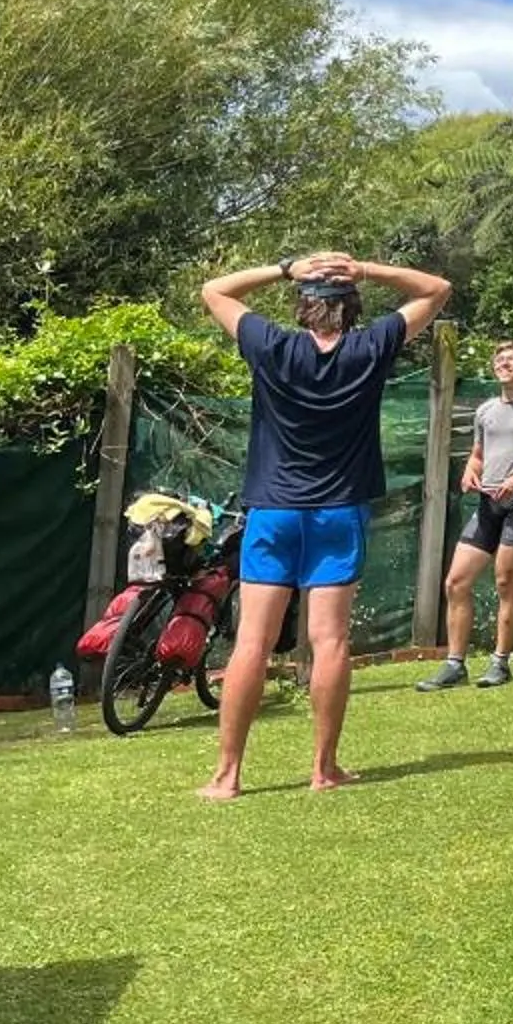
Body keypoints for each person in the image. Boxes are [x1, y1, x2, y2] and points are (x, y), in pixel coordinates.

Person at [196, 250, 451, 798]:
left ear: (303, 310)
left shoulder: (272, 346)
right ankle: (323, 769)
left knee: (252, 644)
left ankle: (227, 776)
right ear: (353, 309)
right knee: (330, 641)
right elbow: (436, 289)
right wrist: (365, 268)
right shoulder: (369, 347)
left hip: (274, 513)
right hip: (338, 513)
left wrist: (286, 267)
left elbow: (214, 291)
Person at [417, 340, 513, 692]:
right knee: (456, 582)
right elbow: (477, 455)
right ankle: (455, 665)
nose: (505, 363)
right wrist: (470, 471)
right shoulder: (485, 411)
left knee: (504, 581)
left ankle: (500, 662)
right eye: (500, 359)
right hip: (488, 504)